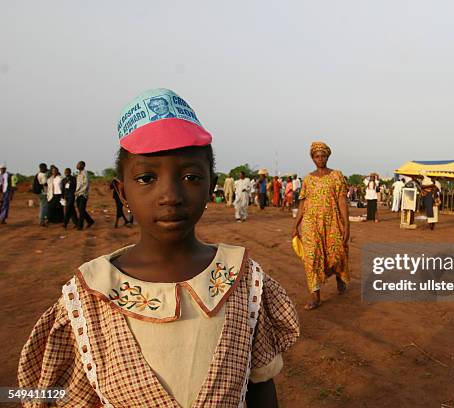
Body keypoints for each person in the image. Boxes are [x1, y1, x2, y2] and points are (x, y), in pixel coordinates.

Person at [18, 88, 299, 407]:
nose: (171, 196)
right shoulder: (90, 297)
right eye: (147, 178)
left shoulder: (242, 281)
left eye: (191, 176)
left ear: (211, 186)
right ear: (121, 192)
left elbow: (261, 387)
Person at [292, 142, 350, 310]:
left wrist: (346, 225)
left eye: (323, 156)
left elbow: (342, 201)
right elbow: (303, 203)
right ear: (312, 158)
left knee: (336, 253)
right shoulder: (308, 179)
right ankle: (315, 295)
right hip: (311, 223)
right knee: (312, 257)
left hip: (332, 221)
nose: (320, 159)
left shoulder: (336, 176)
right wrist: (296, 225)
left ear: (328, 157)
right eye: (317, 156)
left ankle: (339, 275)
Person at [75, 160, 94, 230]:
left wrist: (79, 192)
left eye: (78, 164)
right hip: (78, 194)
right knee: (80, 210)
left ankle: (80, 226)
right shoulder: (79, 174)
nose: (77, 165)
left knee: (81, 210)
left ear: (82, 166)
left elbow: (86, 185)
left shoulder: (85, 174)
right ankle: (90, 221)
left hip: (83, 194)